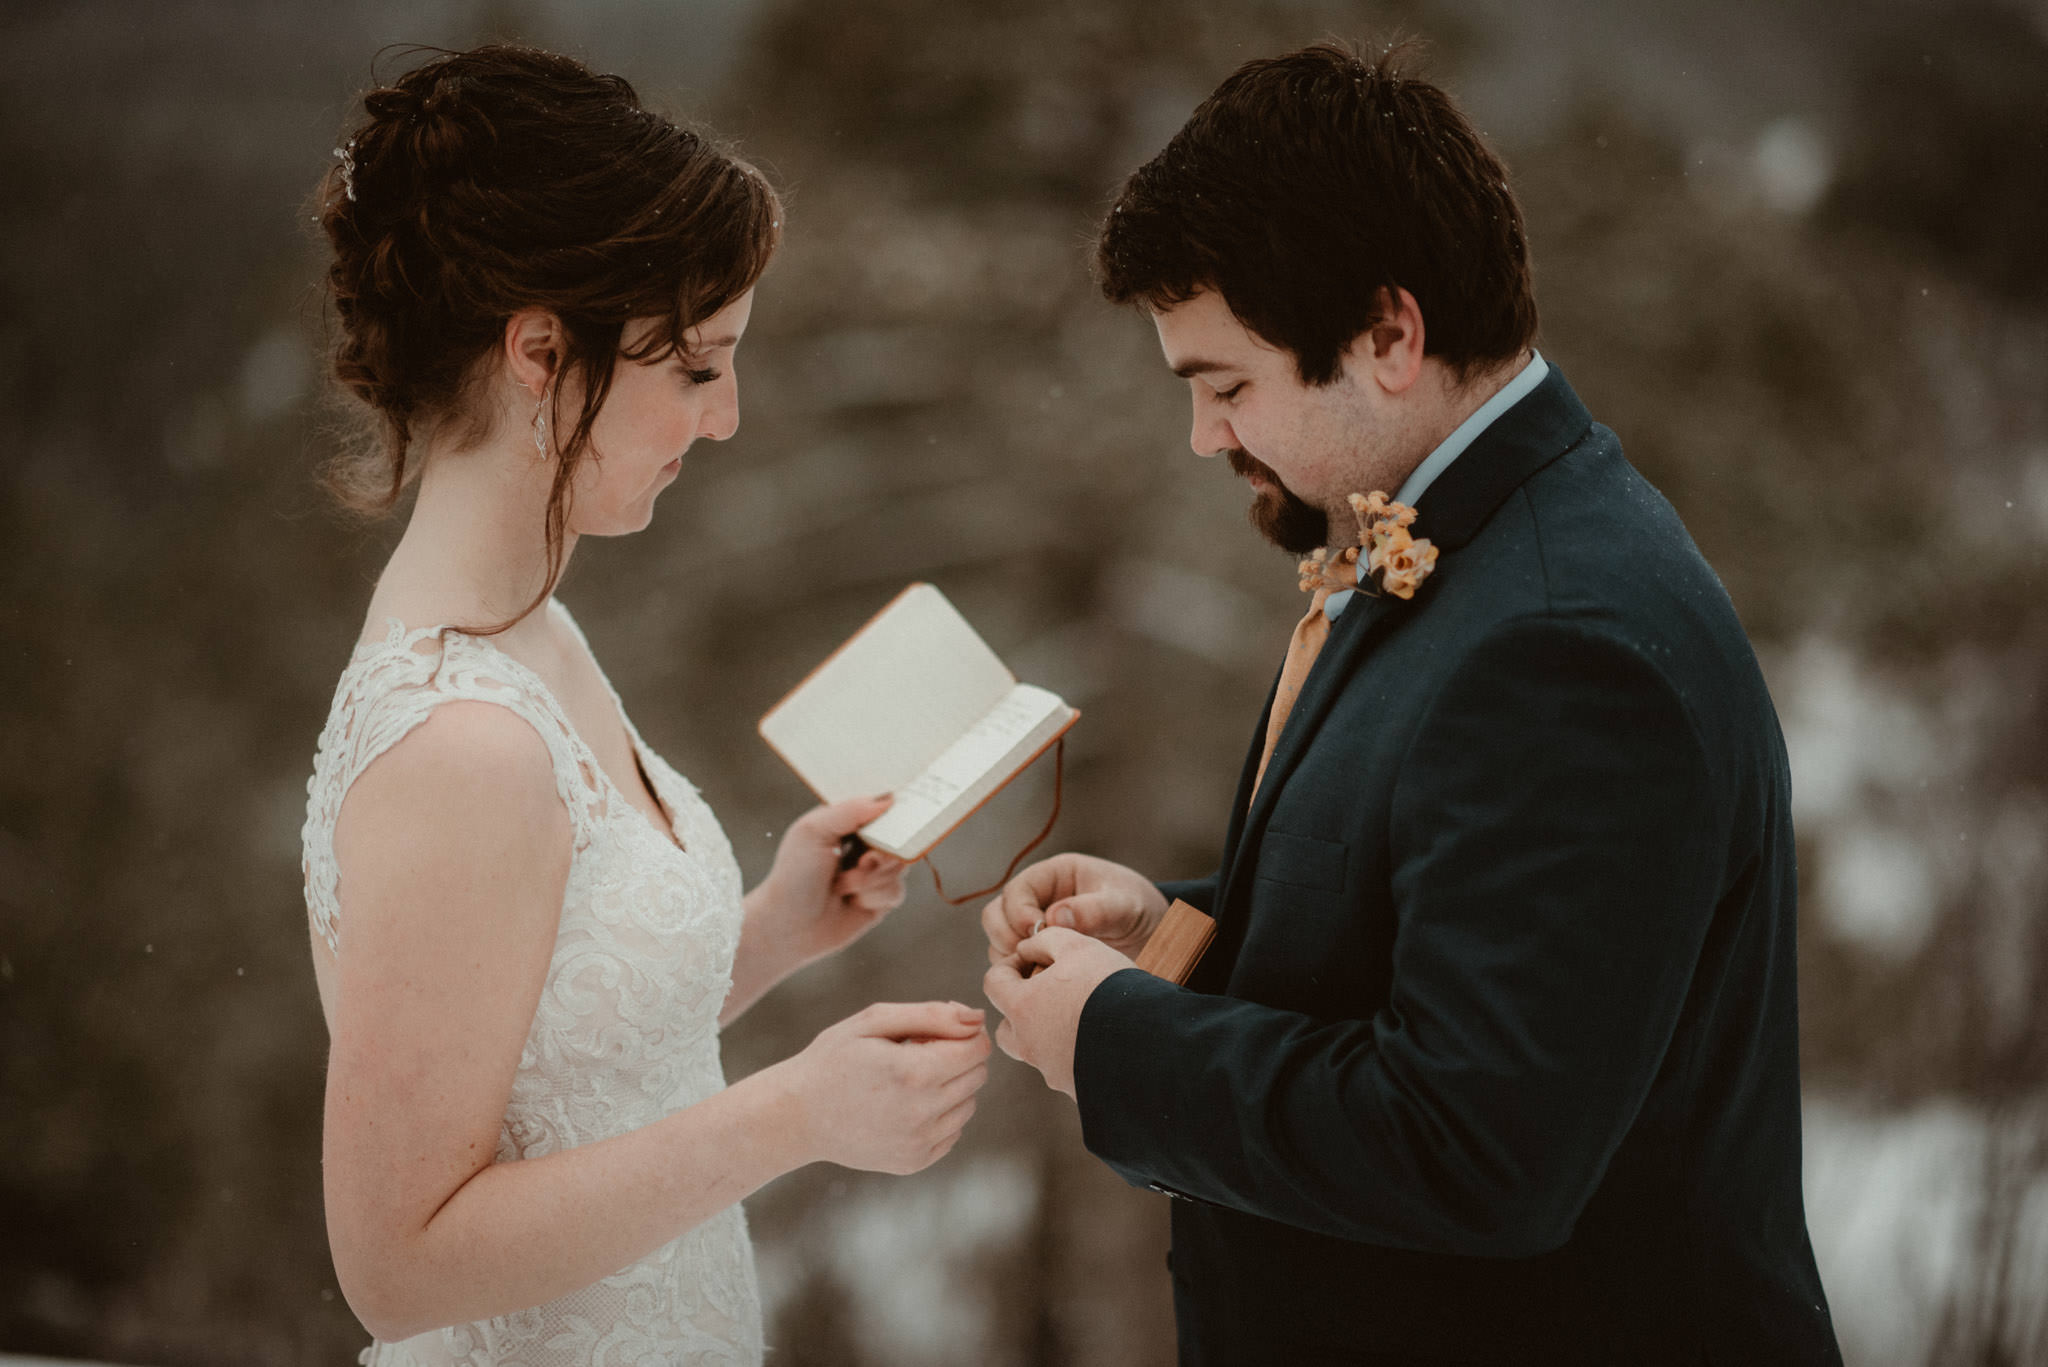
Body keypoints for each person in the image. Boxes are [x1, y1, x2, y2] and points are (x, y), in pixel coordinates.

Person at [982, 41, 1843, 1366]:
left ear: (1390, 334)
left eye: (1226, 387)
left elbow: (1475, 1145)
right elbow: (1427, 920)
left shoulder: (1564, 643)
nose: (1207, 437)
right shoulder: (1478, 547)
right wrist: (1177, 937)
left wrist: (1114, 1041)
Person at [300, 45, 990, 1365]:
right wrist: (795, 1116)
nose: (727, 417)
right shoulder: (462, 744)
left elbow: (550, 1073)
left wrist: (772, 936)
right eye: (696, 367)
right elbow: (398, 1263)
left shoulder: (530, 633)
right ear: (543, 352)